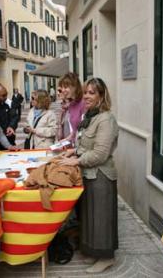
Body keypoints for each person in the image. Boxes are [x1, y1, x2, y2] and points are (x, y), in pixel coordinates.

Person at [58, 78, 119, 274]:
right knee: (90, 217)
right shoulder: (90, 116)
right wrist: (73, 152)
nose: (86, 96)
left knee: (101, 218)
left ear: (102, 96)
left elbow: (100, 154)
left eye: (92, 92)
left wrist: (76, 160)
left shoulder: (106, 119)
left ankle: (106, 257)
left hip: (101, 176)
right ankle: (94, 251)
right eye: (85, 92)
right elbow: (84, 145)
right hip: (88, 174)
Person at [57, 73, 86, 145]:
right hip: (75, 146)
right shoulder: (72, 104)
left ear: (75, 87)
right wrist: (63, 142)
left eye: (66, 87)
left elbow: (85, 131)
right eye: (62, 87)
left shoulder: (84, 103)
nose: (63, 90)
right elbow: (74, 131)